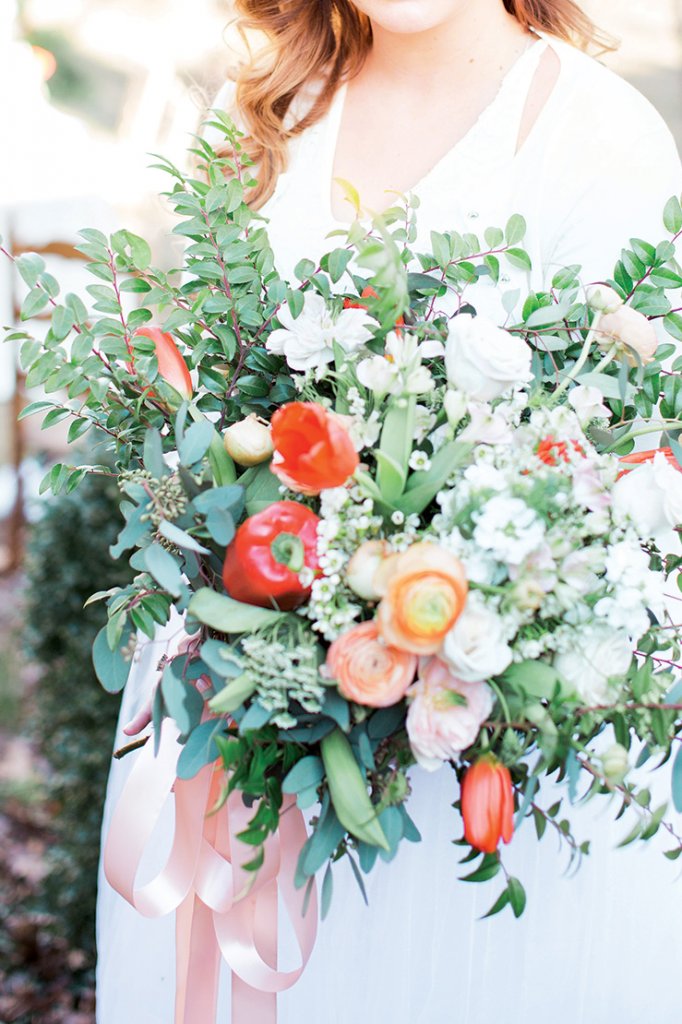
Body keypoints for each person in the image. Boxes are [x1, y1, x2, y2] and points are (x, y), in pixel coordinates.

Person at [97, 2, 682, 1021]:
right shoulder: (264, 113)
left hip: (470, 748)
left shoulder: (597, 132)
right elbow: (196, 407)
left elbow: (627, 479)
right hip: (245, 704)